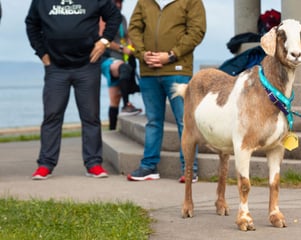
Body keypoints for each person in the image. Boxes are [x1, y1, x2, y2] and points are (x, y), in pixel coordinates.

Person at [25, 0, 122, 180]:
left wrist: (104, 41)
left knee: (90, 116)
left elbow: (114, 16)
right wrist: (41, 52)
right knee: (52, 116)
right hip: (55, 67)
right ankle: (45, 164)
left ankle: (93, 164)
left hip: (88, 64)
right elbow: (31, 23)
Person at [126, 0, 206, 182]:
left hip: (178, 70)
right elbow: (134, 28)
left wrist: (171, 55)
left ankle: (189, 168)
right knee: (153, 121)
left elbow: (196, 31)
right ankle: (148, 167)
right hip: (148, 70)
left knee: (184, 121)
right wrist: (142, 53)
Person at [100, 0, 142, 131]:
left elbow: (128, 36)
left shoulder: (122, 18)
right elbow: (102, 39)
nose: (118, 5)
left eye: (120, 2)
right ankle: (126, 105)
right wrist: (122, 48)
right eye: (115, 2)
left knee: (114, 98)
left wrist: (131, 47)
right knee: (124, 69)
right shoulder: (102, 18)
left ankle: (112, 130)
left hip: (120, 58)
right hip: (107, 58)